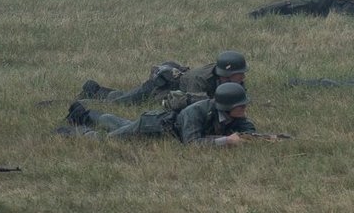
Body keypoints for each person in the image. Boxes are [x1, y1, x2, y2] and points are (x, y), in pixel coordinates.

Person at [64, 82, 259, 145]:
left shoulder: (233, 114)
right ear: (225, 107)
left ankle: (91, 115)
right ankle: (72, 131)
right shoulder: (197, 111)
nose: (244, 109)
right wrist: (226, 141)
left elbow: (247, 128)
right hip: (151, 127)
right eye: (240, 106)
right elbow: (192, 143)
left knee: (120, 124)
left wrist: (251, 137)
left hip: (158, 125)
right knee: (108, 139)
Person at [78, 50, 247, 105]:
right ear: (227, 74)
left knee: (122, 96)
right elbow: (195, 103)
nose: (243, 77)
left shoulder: (231, 79)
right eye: (240, 74)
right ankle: (82, 100)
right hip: (161, 88)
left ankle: (95, 90)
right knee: (118, 102)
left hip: (172, 86)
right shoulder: (199, 80)